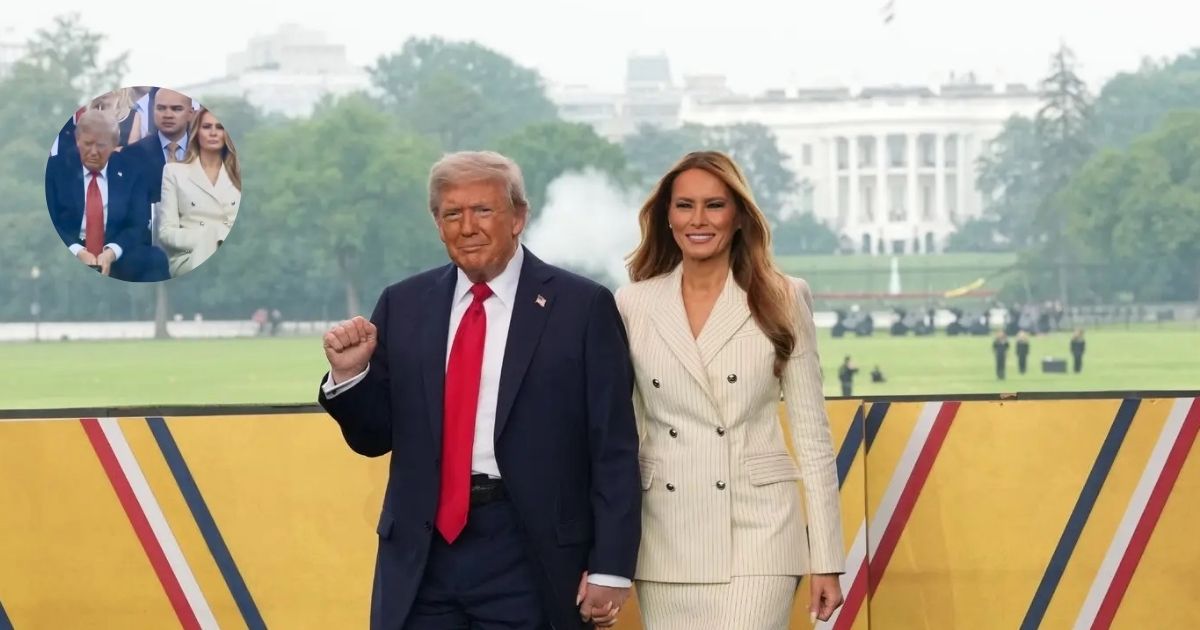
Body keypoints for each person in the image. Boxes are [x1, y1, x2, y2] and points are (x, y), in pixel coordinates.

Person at [318, 151, 640, 629]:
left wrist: (612, 566)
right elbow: (373, 437)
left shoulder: (582, 306)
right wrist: (350, 377)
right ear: (437, 223)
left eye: (483, 210)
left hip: (531, 553)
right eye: (452, 213)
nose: (467, 226)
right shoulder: (403, 304)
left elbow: (613, 446)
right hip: (422, 556)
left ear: (519, 217)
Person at [616, 151, 844, 629]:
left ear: (739, 215)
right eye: (684, 206)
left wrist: (826, 557)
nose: (698, 220)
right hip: (665, 535)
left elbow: (812, 435)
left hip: (759, 531)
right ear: (667, 217)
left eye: (714, 205)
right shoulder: (633, 302)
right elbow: (619, 434)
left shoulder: (782, 296)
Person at [44, 109, 168, 282]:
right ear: (77, 140)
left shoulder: (132, 170)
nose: (94, 151)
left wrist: (112, 252)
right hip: (67, 247)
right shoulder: (56, 170)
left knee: (154, 259)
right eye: (88, 144)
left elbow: (137, 224)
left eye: (101, 145)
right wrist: (76, 251)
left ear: (114, 144)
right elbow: (51, 220)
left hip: (114, 247)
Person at [156, 107, 242, 277]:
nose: (213, 133)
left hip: (233, 253)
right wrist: (206, 239)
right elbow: (166, 232)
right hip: (190, 255)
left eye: (219, 127)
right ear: (196, 132)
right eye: (207, 127)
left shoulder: (237, 176)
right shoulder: (174, 172)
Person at [129, 88, 195, 203]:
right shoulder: (133, 154)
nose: (167, 115)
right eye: (161, 108)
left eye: (176, 109)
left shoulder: (205, 153)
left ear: (190, 113)